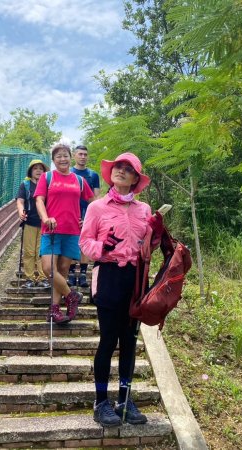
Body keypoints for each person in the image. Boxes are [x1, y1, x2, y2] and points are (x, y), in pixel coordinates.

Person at [80, 152, 163, 427]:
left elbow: (147, 247)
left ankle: (125, 400)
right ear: (112, 172)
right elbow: (85, 242)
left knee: (129, 342)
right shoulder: (97, 208)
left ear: (136, 179)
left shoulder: (144, 210)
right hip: (109, 277)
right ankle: (100, 402)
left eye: (129, 169)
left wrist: (157, 234)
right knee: (108, 341)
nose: (122, 171)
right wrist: (102, 248)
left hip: (136, 279)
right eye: (119, 167)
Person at [35, 143, 95, 323]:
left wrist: (88, 220)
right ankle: (72, 296)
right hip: (51, 229)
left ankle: (55, 310)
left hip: (72, 231)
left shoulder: (79, 180)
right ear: (53, 160)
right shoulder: (47, 177)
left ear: (71, 157)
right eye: (58, 156)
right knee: (48, 268)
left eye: (65, 155)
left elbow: (94, 202)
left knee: (62, 270)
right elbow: (39, 200)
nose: (63, 159)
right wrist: (46, 218)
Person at [68, 144, 101, 288]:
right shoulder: (68, 173)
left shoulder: (93, 175)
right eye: (80, 154)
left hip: (87, 213)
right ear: (74, 155)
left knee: (85, 243)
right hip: (70, 213)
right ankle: (70, 273)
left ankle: (82, 274)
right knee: (71, 242)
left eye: (85, 154)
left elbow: (96, 197)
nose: (82, 157)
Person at [16, 159, 50, 288]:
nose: (38, 171)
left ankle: (43, 278)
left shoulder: (48, 184)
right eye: (35, 168)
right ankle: (29, 278)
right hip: (29, 222)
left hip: (44, 223)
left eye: (41, 168)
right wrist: (21, 212)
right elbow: (20, 201)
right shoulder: (25, 184)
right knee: (29, 251)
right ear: (31, 171)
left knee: (41, 251)